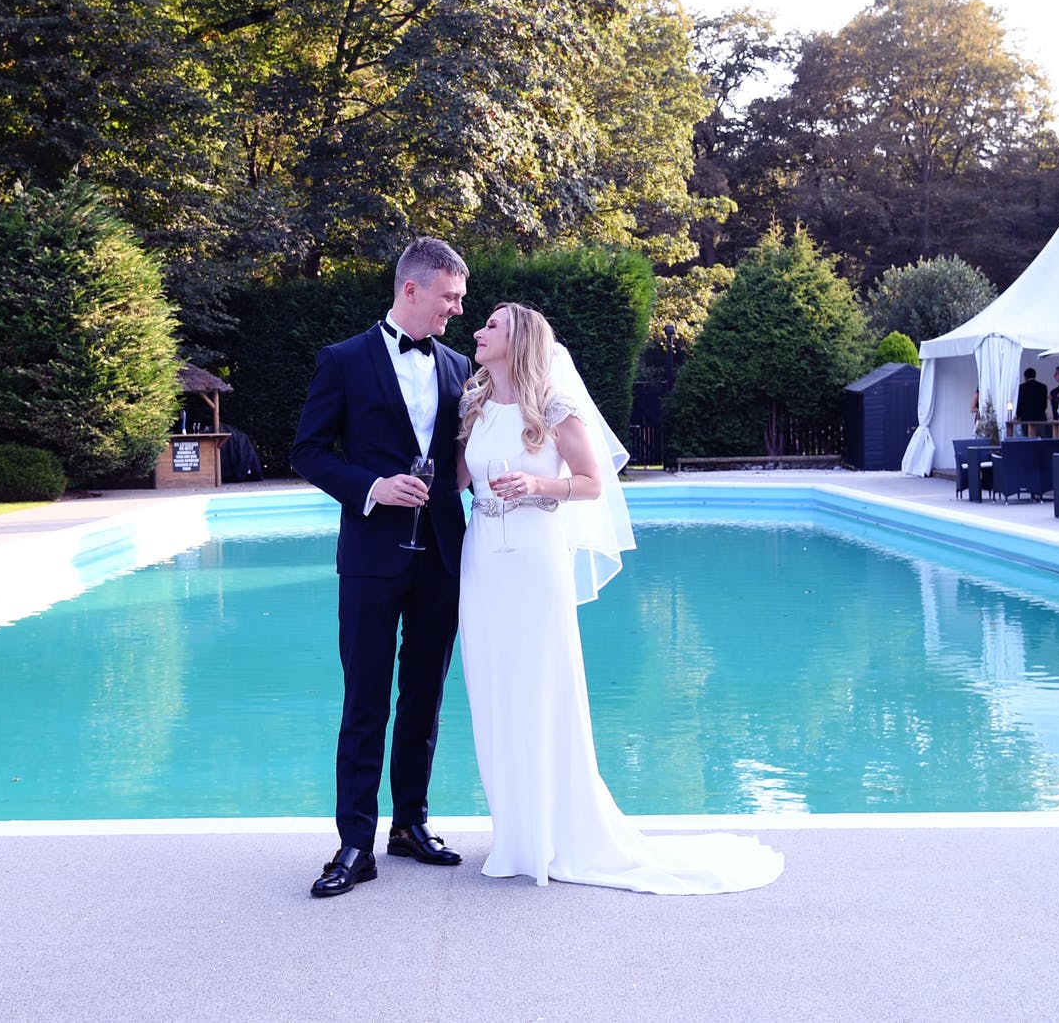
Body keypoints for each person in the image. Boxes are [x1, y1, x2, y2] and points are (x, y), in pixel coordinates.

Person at [456, 301, 783, 894]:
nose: (478, 330)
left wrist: (534, 484)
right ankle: (517, 834)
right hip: (481, 562)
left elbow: (589, 483)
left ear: (520, 340)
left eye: (492, 325)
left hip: (534, 561)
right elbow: (457, 477)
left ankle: (560, 834)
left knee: (541, 686)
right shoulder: (473, 403)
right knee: (492, 687)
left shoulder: (553, 407)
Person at [292, 238, 473, 898]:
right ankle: (353, 844)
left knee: (424, 698)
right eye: (449, 298)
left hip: (444, 558)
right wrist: (372, 487)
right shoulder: (341, 361)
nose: (456, 312)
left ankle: (410, 824)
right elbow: (308, 451)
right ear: (412, 290)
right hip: (370, 558)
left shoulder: (458, 367)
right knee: (365, 699)